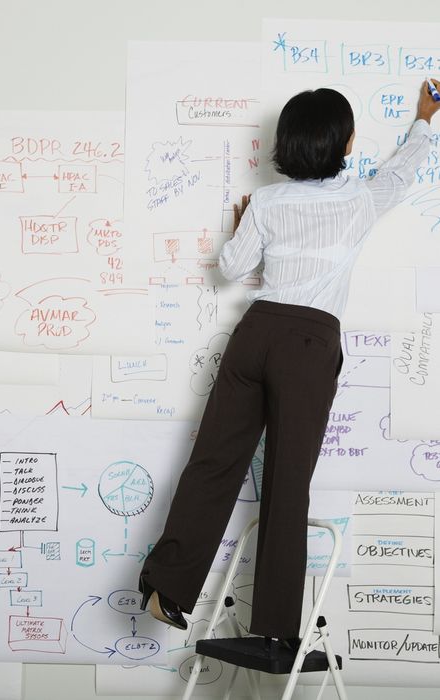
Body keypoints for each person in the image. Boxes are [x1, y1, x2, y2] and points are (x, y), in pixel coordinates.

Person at [139, 80, 440, 647]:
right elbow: (402, 171)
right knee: (285, 482)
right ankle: (274, 628)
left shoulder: (269, 200)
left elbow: (231, 268)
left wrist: (243, 223)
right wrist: (426, 117)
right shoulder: (359, 198)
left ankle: (166, 587)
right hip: (308, 343)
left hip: (256, 332)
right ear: (345, 145)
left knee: (213, 462)